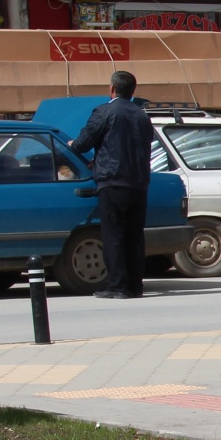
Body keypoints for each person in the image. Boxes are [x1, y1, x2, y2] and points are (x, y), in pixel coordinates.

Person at [68, 69, 154, 300]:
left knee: (113, 235)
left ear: (112, 89)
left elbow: (83, 142)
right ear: (133, 91)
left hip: (113, 181)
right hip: (138, 183)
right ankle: (135, 286)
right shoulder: (142, 116)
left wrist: (72, 144)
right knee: (134, 236)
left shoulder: (105, 111)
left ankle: (117, 286)